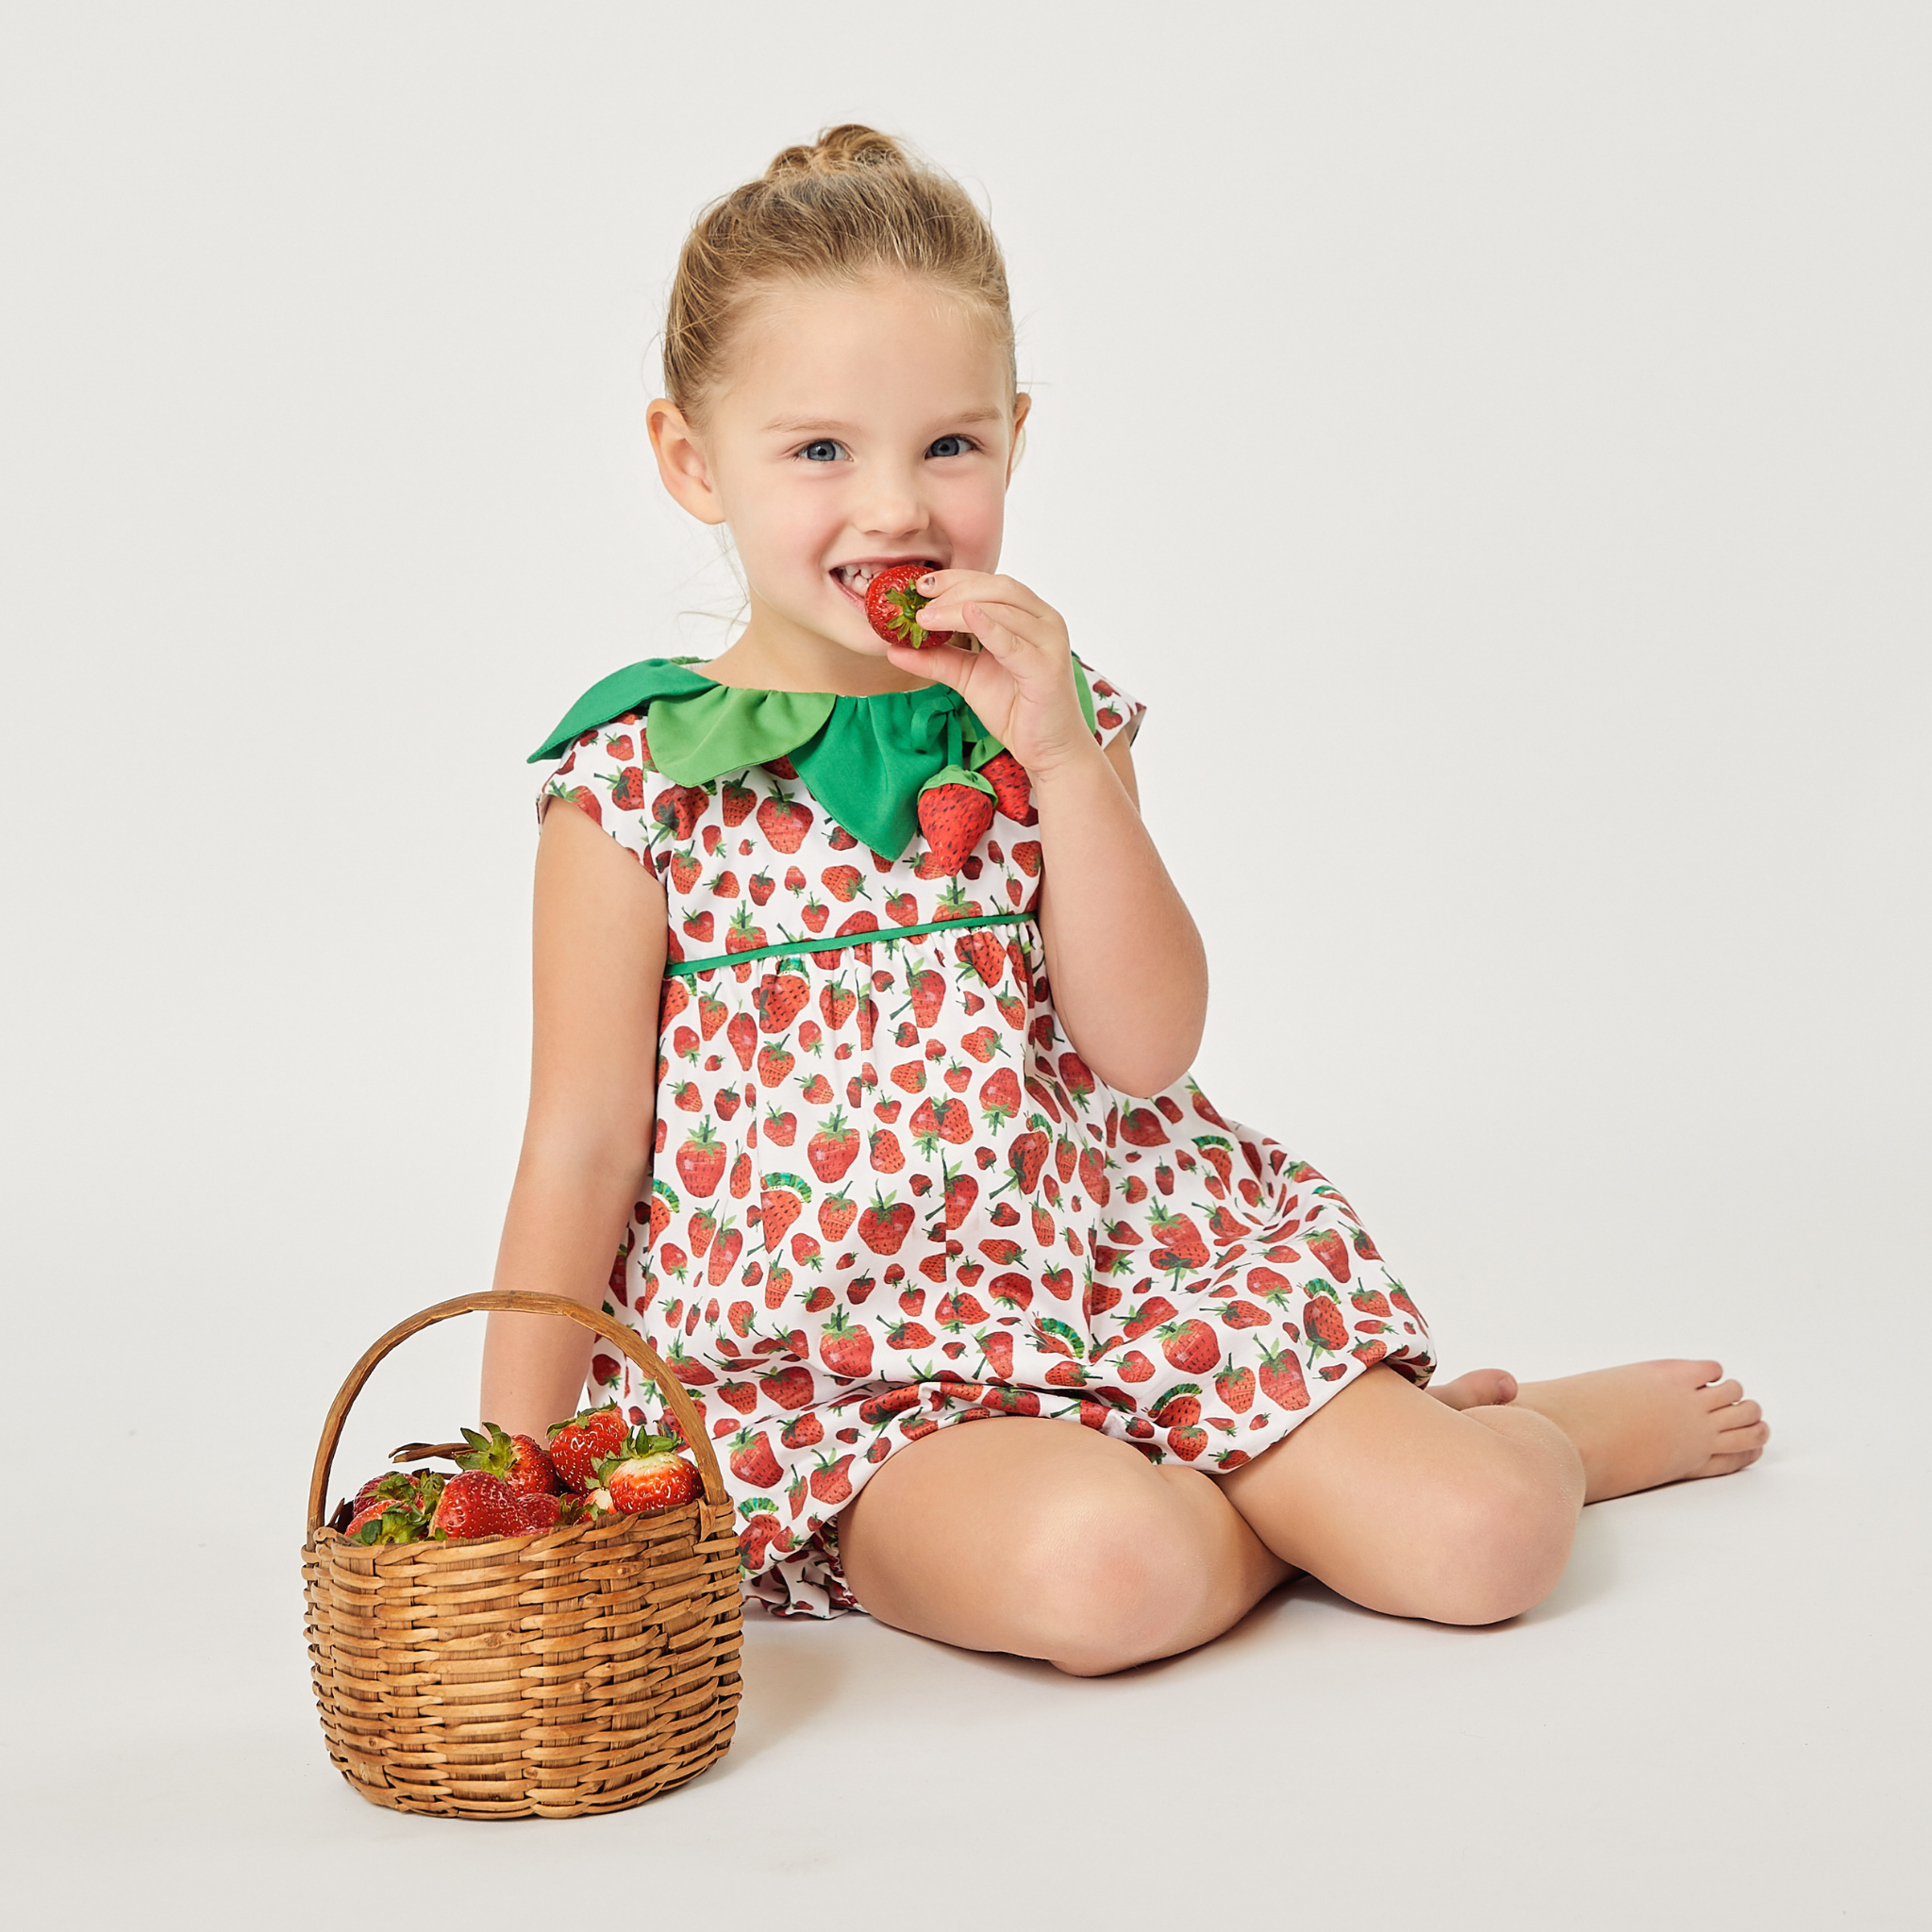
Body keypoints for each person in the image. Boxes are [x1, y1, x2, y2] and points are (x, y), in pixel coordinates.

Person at [479, 124, 1768, 1675]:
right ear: (694, 459)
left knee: (1486, 1544)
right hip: (846, 1385)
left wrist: (1067, 766)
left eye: (948, 447)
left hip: (1126, 1277)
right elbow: (581, 1145)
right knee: (1109, 1578)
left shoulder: (1051, 715)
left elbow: (1146, 1047)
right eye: (819, 451)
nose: (894, 507)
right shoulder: (636, 785)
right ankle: (1289, 1505)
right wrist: (517, 1464)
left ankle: (1540, 1433)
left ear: (1014, 438)